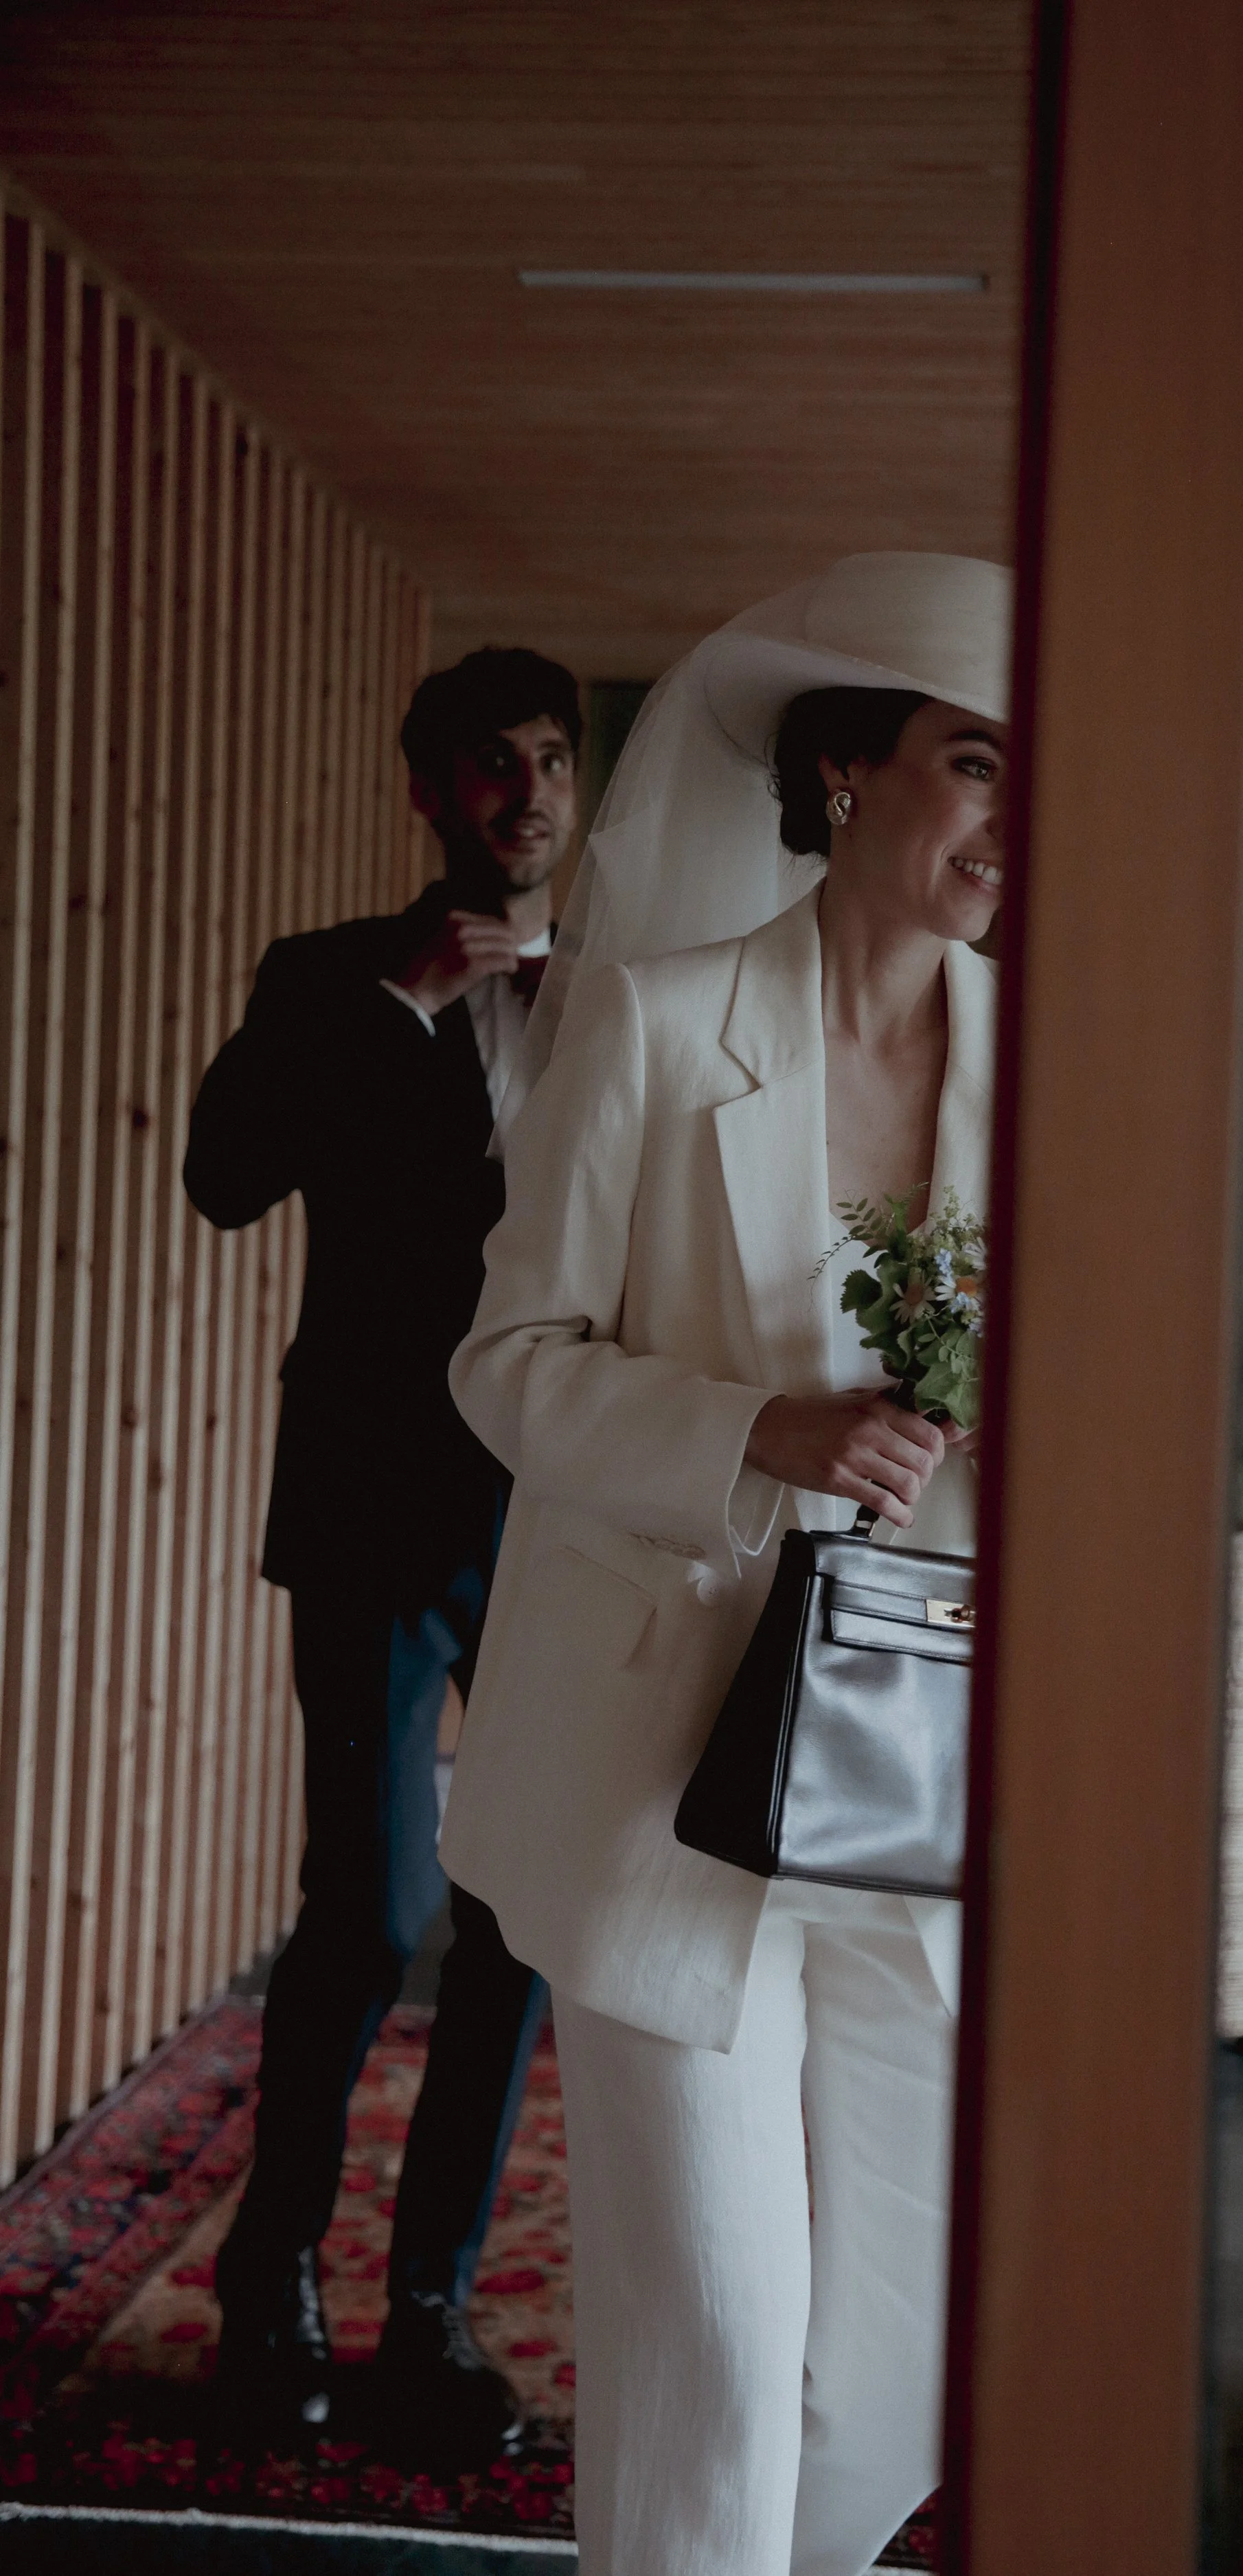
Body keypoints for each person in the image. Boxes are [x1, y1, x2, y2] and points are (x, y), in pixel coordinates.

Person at [440, 554, 1009, 2576]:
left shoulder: (1053, 1078)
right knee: (722, 2350)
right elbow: (506, 1363)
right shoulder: (658, 1029)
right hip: (652, 1783)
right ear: (847, 772)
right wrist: (746, 1435)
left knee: (910, 2380)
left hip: (919, 1785)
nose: (1011, 827)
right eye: (973, 765)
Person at [182, 646, 582, 2459]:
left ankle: (429, 2310)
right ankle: (270, 2279)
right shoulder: (328, 974)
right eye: (491, 763)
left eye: (554, 761)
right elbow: (222, 1173)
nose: (527, 792)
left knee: (515, 1918)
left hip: (554, 1518)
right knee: (369, 1908)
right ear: (428, 788)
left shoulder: (630, 996)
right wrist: (402, 1005)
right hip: (362, 1505)